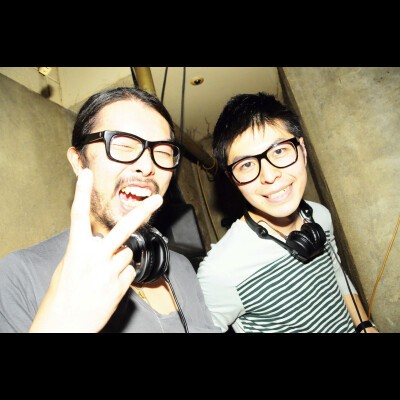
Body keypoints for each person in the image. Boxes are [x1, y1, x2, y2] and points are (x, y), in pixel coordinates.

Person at [0, 86, 220, 333]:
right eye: (123, 145)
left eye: (163, 152)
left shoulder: (180, 266)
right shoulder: (19, 275)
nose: (147, 165)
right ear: (78, 161)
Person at [197, 92, 379, 333]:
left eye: (279, 151)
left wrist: (365, 325)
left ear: (302, 149)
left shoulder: (320, 216)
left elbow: (337, 274)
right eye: (247, 164)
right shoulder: (220, 270)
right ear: (233, 180)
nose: (270, 176)